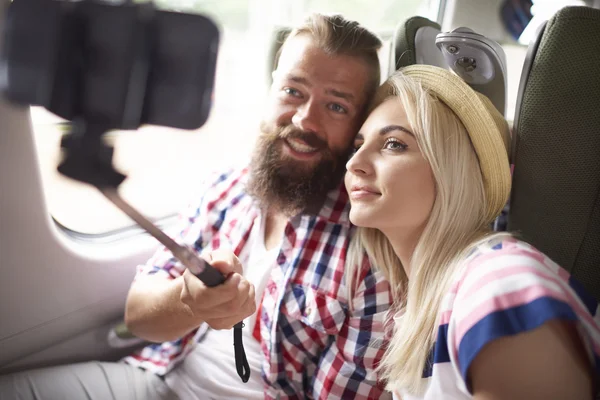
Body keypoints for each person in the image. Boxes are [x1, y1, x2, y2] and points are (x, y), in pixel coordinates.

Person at [0, 13, 393, 400]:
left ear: (360, 126)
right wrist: (190, 301)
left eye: (336, 107)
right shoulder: (229, 187)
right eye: (293, 91)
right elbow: (139, 316)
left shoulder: (373, 247)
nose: (306, 120)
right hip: (160, 378)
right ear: (271, 89)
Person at [344, 64, 600, 400]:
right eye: (357, 144)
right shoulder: (420, 304)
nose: (353, 163)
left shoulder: (499, 284)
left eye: (394, 144)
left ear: (453, 171)